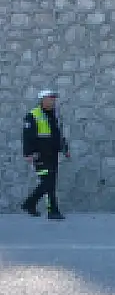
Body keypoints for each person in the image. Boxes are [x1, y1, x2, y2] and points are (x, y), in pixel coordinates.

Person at [21, 90, 68, 220]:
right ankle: (52, 211)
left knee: (49, 182)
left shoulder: (55, 115)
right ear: (42, 100)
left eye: (54, 99)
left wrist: (65, 148)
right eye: (50, 99)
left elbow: (60, 134)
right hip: (39, 155)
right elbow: (27, 136)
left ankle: (30, 203)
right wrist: (28, 153)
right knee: (48, 182)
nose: (53, 101)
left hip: (52, 154)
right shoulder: (33, 115)